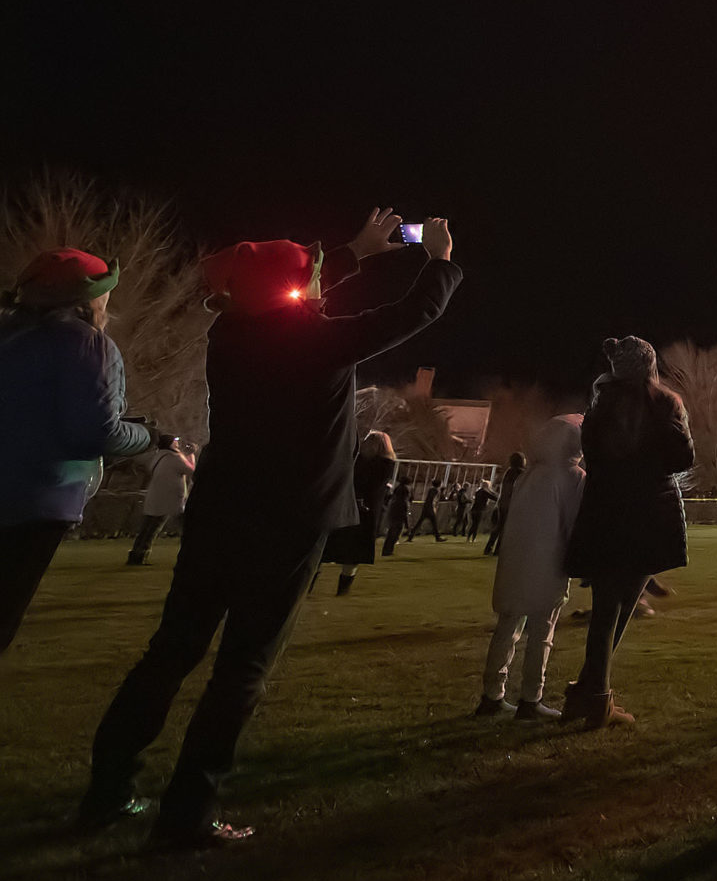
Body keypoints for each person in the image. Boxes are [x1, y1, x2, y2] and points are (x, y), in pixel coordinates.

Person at [84, 210, 462, 844]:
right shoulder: (314, 341)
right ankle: (187, 814)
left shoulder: (231, 330)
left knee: (172, 650)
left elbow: (284, 291)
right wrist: (441, 262)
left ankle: (107, 788)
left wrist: (354, 253)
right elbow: (411, 313)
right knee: (242, 668)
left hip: (221, 511)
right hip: (287, 522)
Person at [1, 248, 163, 651]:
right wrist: (148, 437)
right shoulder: (87, 344)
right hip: (36, 501)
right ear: (90, 300)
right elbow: (94, 432)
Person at [561, 336, 693, 731]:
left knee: (608, 609)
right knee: (614, 613)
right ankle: (595, 699)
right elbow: (683, 457)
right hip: (649, 514)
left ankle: (588, 691)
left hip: (605, 513)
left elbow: (594, 455)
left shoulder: (599, 404)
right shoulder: (666, 402)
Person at [477, 415, 584, 719]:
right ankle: (530, 699)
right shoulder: (573, 477)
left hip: (515, 560)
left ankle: (492, 695)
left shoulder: (528, 475)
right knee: (542, 632)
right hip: (549, 564)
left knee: (507, 627)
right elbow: (575, 524)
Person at [321, 432, 397, 595]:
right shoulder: (386, 463)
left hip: (349, 505)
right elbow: (376, 486)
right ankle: (343, 590)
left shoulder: (357, 459)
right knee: (354, 554)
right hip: (367, 511)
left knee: (331, 547)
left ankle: (312, 583)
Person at [128, 440, 196, 567]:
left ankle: (137, 555)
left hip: (156, 499)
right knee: (184, 527)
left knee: (148, 528)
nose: (177, 443)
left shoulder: (158, 457)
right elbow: (191, 470)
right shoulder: (174, 458)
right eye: (175, 441)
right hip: (171, 501)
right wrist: (190, 454)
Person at [486, 452, 523, 556]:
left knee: (499, 526)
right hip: (511, 504)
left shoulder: (508, 472)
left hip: (502, 503)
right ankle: (498, 550)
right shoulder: (520, 473)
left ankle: (489, 547)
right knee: (506, 529)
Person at [382, 470, 413, 556]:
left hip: (394, 511)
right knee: (395, 532)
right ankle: (388, 550)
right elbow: (405, 502)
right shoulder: (404, 491)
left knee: (393, 531)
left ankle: (387, 550)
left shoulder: (398, 488)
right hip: (400, 512)